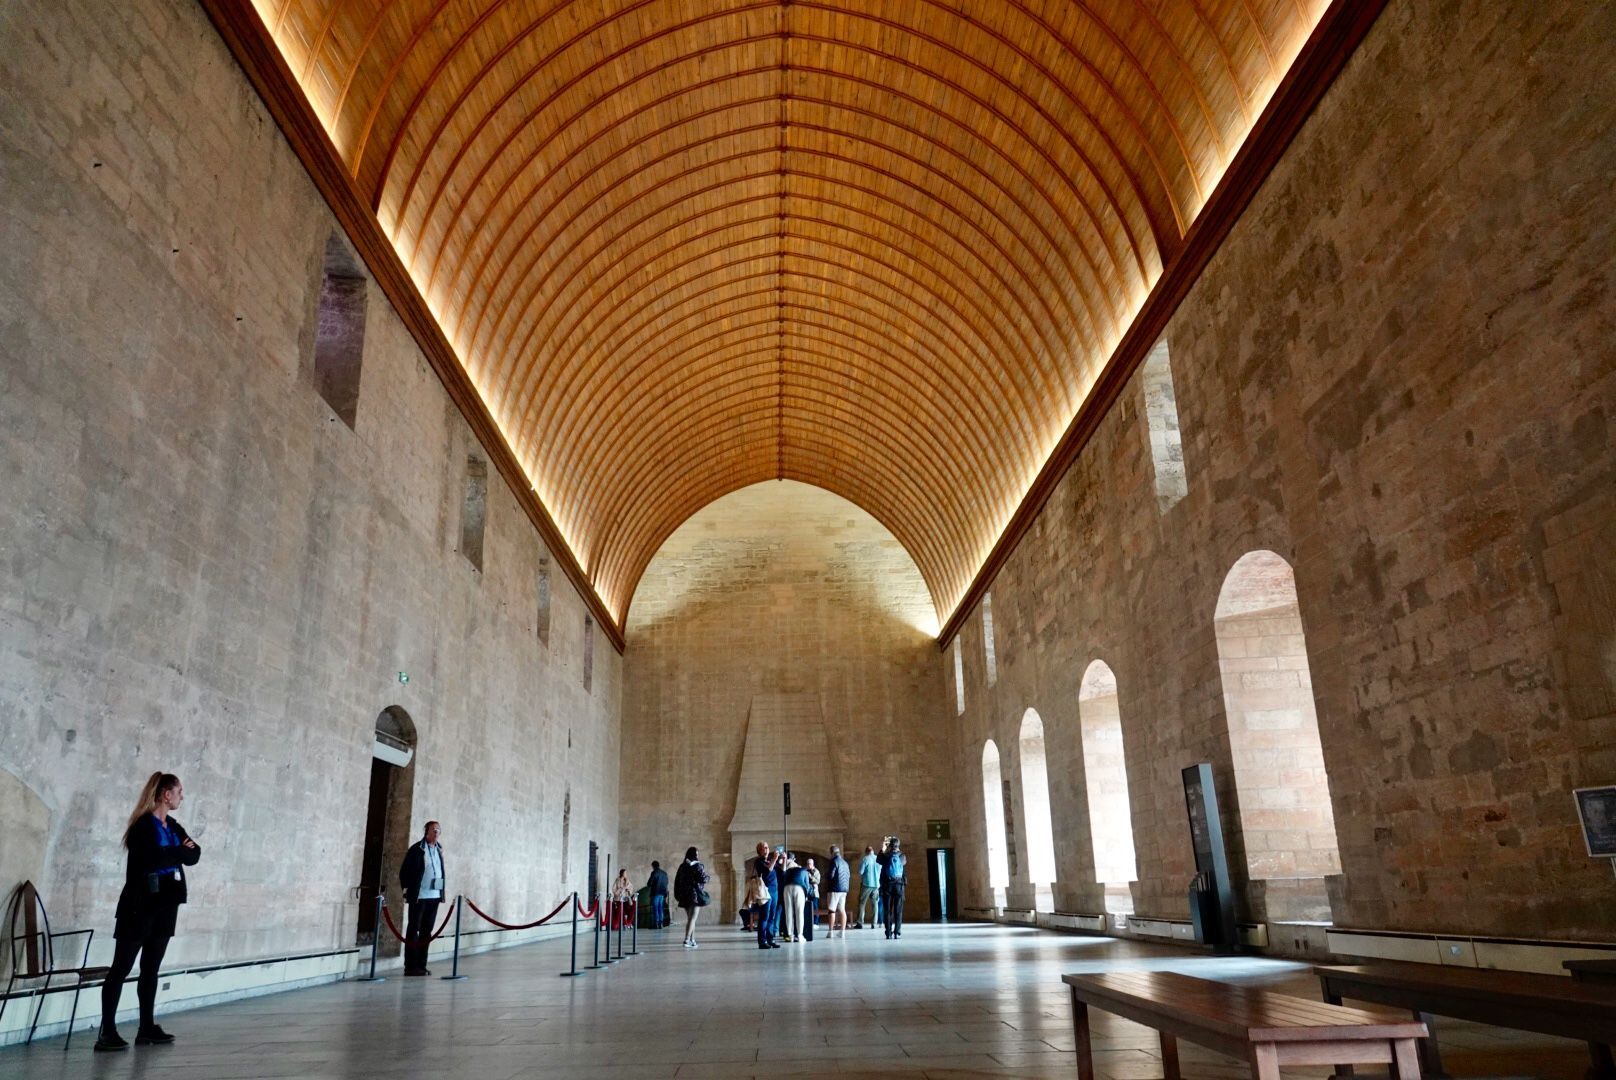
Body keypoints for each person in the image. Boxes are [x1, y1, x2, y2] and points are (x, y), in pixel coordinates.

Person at [96, 771, 201, 1052]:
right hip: (140, 905)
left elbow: (194, 854)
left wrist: (174, 852)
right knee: (121, 967)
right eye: (179, 792)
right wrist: (177, 851)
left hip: (166, 905)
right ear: (166, 795)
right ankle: (107, 1030)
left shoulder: (173, 826)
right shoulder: (142, 827)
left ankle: (146, 1027)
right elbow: (151, 859)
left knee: (151, 968)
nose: (181, 797)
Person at [399, 821, 446, 975]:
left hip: (434, 896)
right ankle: (411, 966)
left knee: (427, 931)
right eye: (433, 829)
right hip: (420, 896)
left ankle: (422, 965)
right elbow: (405, 871)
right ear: (426, 831)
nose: (436, 832)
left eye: (438, 830)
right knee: (414, 929)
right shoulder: (417, 849)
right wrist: (408, 891)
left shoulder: (439, 849)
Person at [672, 846, 709, 948]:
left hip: (684, 895)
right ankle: (687, 940)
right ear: (695, 855)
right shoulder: (698, 866)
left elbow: (677, 881)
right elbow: (703, 879)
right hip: (695, 895)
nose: (698, 856)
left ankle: (693, 940)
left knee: (691, 919)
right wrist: (707, 877)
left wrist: (677, 894)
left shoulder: (682, 866)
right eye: (697, 854)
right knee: (692, 919)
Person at [751, 841, 782, 949]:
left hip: (774, 891)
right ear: (759, 850)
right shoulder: (759, 861)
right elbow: (768, 870)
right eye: (764, 847)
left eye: (767, 847)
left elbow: (782, 870)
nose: (767, 849)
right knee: (765, 916)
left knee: (772, 916)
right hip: (765, 891)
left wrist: (783, 859)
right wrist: (775, 859)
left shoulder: (769, 860)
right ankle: (762, 941)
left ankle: (770, 939)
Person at [880, 837, 908, 939]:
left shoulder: (886, 856)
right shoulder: (902, 856)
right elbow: (903, 864)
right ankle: (897, 932)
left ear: (890, 845)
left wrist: (883, 848)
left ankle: (888, 933)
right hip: (899, 886)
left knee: (887, 910)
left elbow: (878, 859)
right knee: (898, 910)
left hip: (887, 885)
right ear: (898, 845)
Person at [779, 854, 806, 943]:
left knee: (788, 912)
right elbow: (806, 883)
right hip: (799, 887)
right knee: (799, 912)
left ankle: (790, 936)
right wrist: (806, 895)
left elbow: (782, 878)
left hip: (787, 887)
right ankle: (800, 935)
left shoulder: (784, 867)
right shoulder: (800, 868)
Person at [825, 845, 851, 937]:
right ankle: (842, 932)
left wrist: (826, 876)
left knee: (832, 910)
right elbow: (848, 875)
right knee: (842, 910)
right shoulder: (845, 862)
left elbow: (831, 875)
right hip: (844, 889)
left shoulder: (834, 861)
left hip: (835, 888)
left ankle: (830, 932)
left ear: (831, 852)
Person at [856, 845, 881, 929]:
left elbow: (861, 872)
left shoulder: (865, 859)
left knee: (862, 903)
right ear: (872, 851)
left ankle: (860, 923)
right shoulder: (878, 859)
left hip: (866, 884)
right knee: (875, 904)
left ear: (866, 851)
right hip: (876, 885)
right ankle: (874, 923)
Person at [646, 860, 669, 929]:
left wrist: (650, 884)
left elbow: (649, 883)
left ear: (653, 866)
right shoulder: (664, 873)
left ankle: (656, 923)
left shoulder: (654, 873)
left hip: (655, 893)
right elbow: (666, 883)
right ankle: (661, 923)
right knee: (660, 908)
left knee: (655, 908)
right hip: (662, 893)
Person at [803, 857, 821, 942]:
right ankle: (808, 922)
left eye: (809, 864)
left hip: (814, 893)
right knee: (807, 908)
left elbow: (817, 881)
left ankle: (816, 922)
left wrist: (809, 876)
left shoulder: (816, 871)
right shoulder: (805, 871)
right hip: (807, 892)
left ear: (812, 864)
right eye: (807, 864)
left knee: (815, 907)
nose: (808, 865)